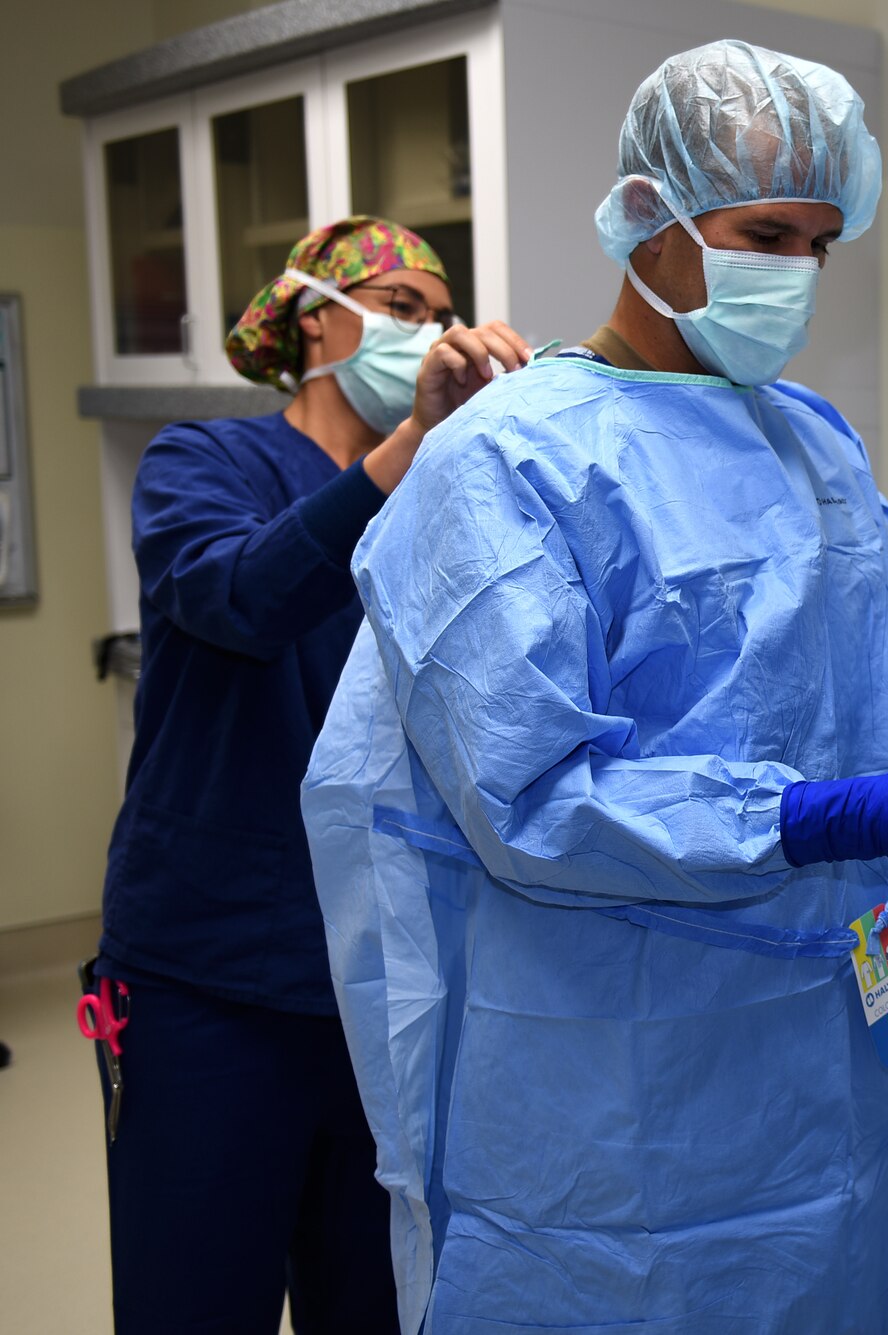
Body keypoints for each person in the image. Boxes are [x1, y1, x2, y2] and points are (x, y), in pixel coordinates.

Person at [301, 41, 888, 1334]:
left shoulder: (811, 441)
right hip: (605, 1110)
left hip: (824, 1082)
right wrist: (831, 814)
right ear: (647, 217)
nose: (793, 274)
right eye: (764, 230)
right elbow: (534, 789)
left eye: (820, 242)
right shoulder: (503, 462)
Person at [90, 217, 532, 1332]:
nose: (425, 330)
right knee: (192, 1300)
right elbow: (242, 597)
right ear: (312, 318)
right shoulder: (201, 462)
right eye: (399, 308)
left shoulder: (442, 503)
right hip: (213, 980)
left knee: (375, 1303)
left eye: (437, 312)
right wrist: (404, 454)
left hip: (388, 991)